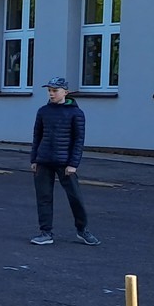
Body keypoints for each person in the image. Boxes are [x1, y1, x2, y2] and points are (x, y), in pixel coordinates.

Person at [30, 76, 100, 246]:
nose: (51, 94)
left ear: (65, 92)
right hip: (44, 161)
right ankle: (46, 232)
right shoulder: (43, 111)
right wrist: (34, 159)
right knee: (44, 198)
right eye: (49, 91)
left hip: (65, 163)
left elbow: (78, 141)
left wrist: (73, 164)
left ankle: (82, 230)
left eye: (55, 91)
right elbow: (37, 136)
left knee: (75, 197)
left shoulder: (76, 113)